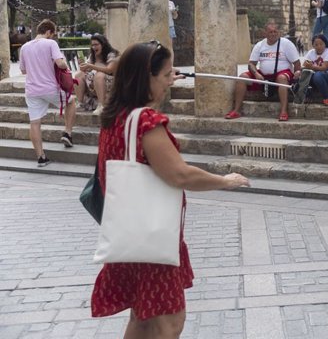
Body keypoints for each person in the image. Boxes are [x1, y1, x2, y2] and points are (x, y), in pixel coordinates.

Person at [91, 41, 250, 338]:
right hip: (153, 240)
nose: (169, 82)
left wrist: (162, 78)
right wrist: (225, 180)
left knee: (142, 318)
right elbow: (179, 174)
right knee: (170, 322)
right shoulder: (147, 122)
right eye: (165, 76)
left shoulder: (115, 117)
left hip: (129, 234)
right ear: (145, 78)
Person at [18, 19, 76, 166]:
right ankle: (68, 133)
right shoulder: (51, 43)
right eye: (52, 34)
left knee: (35, 122)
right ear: (49, 32)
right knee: (71, 101)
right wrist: (63, 62)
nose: (52, 37)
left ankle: (41, 157)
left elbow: (23, 70)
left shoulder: (24, 47)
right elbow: (60, 63)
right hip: (50, 88)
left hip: (32, 90)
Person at [224, 22, 302, 121]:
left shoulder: (286, 44)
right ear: (265, 33)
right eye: (270, 32)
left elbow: (296, 63)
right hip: (263, 76)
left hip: (282, 74)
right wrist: (256, 73)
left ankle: (284, 111)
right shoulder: (260, 45)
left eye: (275, 32)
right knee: (242, 77)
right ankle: (236, 110)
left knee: (282, 78)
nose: (273, 34)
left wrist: (297, 73)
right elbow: (251, 64)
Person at [74, 34, 119, 116]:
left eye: (96, 44)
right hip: (93, 82)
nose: (94, 47)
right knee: (78, 75)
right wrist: (82, 65)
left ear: (103, 44)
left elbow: (109, 70)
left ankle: (101, 105)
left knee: (99, 75)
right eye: (92, 45)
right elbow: (86, 70)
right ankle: (80, 103)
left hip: (109, 81)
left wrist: (91, 66)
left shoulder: (111, 54)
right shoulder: (93, 55)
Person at [303, 34, 328, 105]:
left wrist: (311, 66)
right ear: (313, 45)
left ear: (325, 44)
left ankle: (327, 98)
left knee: (318, 75)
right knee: (302, 75)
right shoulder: (311, 53)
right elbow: (305, 65)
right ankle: (306, 96)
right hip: (317, 77)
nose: (319, 46)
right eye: (316, 45)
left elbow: (324, 68)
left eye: (321, 44)